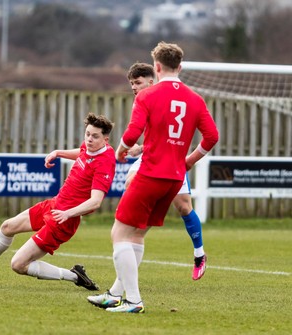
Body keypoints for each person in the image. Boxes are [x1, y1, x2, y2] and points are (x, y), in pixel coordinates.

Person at [88, 42, 219, 313]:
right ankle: (116, 293)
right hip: (174, 178)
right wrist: (190, 160)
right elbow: (212, 136)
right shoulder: (195, 99)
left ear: (156, 67)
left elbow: (132, 132)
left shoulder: (147, 96)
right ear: (180, 67)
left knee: (119, 232)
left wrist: (122, 151)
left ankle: (134, 301)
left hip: (150, 173)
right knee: (136, 234)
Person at [0, 113, 116, 291]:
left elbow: (95, 202)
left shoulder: (105, 162)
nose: (89, 139)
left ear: (106, 139)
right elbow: (82, 152)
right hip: (54, 204)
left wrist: (68, 213)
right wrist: (58, 153)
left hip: (63, 220)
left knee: (18, 265)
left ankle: (75, 276)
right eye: (87, 134)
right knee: (7, 227)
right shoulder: (90, 147)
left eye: (95, 136)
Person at [125, 62, 208, 282]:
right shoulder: (145, 98)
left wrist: (125, 147)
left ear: (152, 79)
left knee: (183, 206)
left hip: (172, 161)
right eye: (132, 84)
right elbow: (157, 134)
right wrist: (140, 148)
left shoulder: (169, 96)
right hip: (151, 159)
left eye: (138, 82)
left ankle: (199, 254)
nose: (134, 87)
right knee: (131, 183)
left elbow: (173, 133)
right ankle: (135, 228)